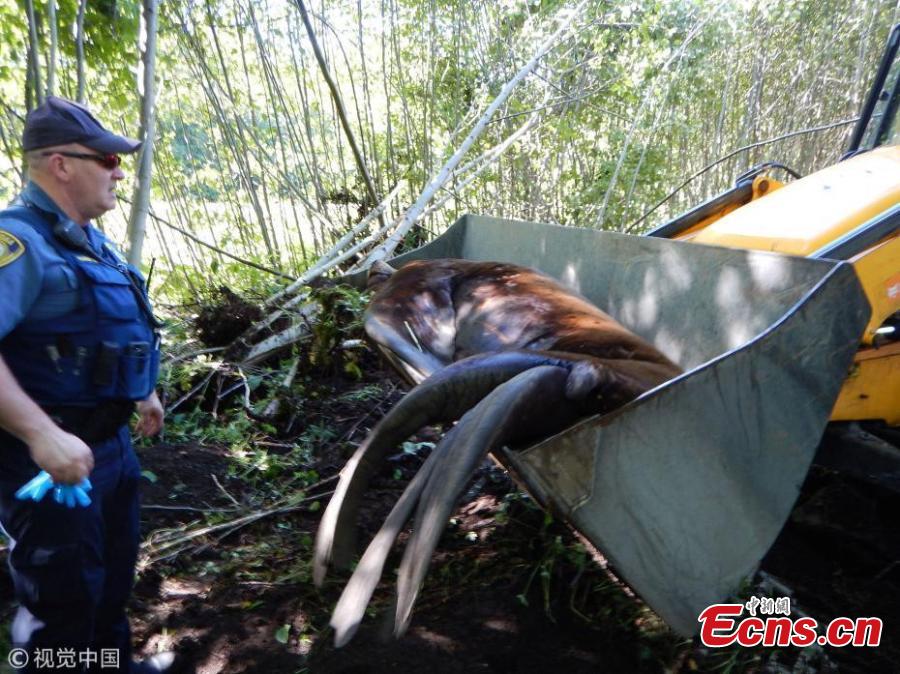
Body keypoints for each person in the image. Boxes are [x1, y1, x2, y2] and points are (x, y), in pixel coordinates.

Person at [0, 97, 171, 673]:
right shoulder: (18, 242)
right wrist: (40, 434)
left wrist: (139, 390)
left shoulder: (88, 243)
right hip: (50, 461)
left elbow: (100, 329)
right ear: (61, 165)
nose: (119, 172)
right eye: (108, 160)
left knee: (110, 584)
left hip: (108, 448)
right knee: (62, 606)